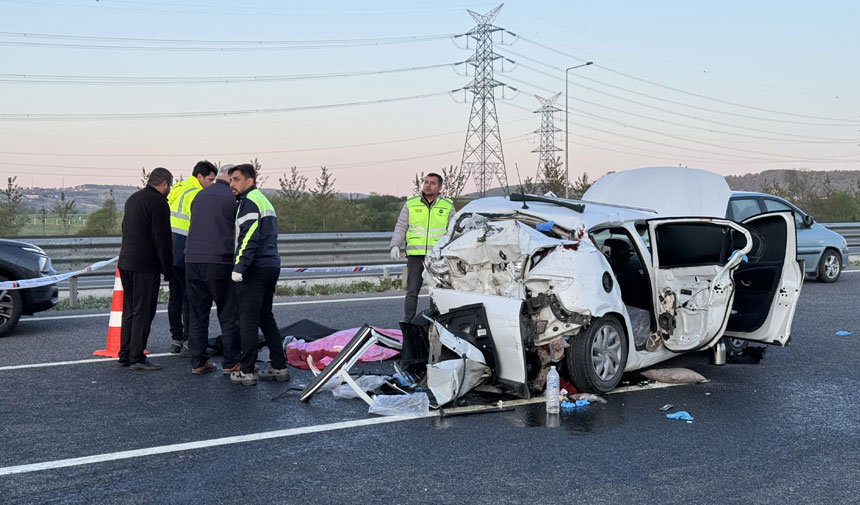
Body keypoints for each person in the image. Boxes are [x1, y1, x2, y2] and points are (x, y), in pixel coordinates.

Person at [228, 164, 287, 386]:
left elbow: (249, 236)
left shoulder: (250, 202)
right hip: (271, 265)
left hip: (254, 268)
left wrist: (239, 268)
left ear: (249, 181)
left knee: (248, 320)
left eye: (236, 179)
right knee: (265, 317)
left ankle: (246, 371)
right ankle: (279, 366)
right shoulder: (264, 201)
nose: (232, 184)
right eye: (231, 180)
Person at [184, 164, 242, 375]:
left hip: (192, 260)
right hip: (219, 260)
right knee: (228, 313)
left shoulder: (200, 195)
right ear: (231, 178)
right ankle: (231, 362)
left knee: (197, 314)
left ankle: (198, 362)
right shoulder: (233, 198)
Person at [117, 167, 174, 371]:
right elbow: (162, 239)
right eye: (170, 185)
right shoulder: (158, 202)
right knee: (144, 311)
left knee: (130, 310)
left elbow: (125, 228)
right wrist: (168, 269)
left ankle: (124, 355)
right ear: (165, 183)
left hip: (125, 262)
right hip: (145, 265)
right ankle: (137, 357)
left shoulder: (133, 198)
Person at [166, 161, 217, 355]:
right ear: (200, 177)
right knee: (190, 298)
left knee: (175, 297)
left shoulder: (177, 189)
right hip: (187, 252)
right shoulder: (197, 194)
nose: (211, 184)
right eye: (210, 180)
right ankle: (189, 340)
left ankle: (176, 339)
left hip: (171, 252)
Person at [389, 173, 454, 322]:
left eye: (432, 183)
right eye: (426, 182)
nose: (427, 185)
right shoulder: (411, 203)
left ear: (440, 188)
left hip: (437, 257)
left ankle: (437, 324)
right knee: (412, 291)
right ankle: (408, 323)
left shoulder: (447, 206)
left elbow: (453, 231)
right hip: (415, 255)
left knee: (437, 292)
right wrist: (395, 245)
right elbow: (401, 226)